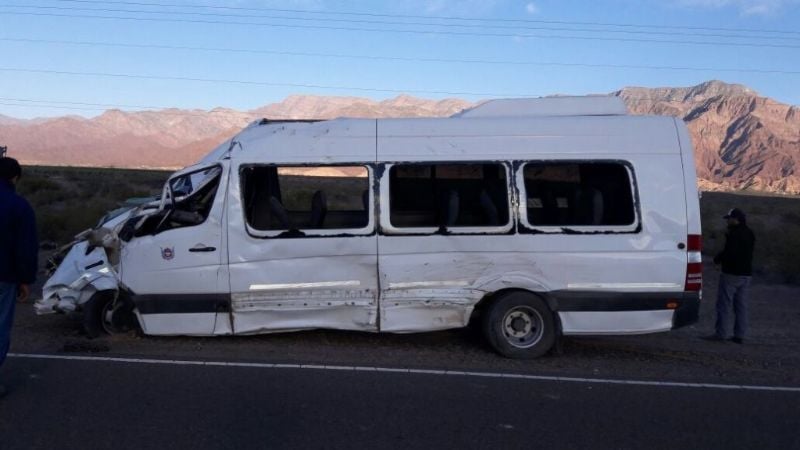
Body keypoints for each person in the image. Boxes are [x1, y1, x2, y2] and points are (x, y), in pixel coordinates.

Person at [0, 157, 38, 398]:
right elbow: (26, 247)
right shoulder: (19, 206)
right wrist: (25, 279)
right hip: (4, 277)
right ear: (15, 178)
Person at [704, 208, 755, 344]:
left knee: (724, 304)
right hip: (746, 274)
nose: (727, 221)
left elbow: (729, 252)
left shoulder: (734, 234)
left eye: (729, 219)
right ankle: (739, 335)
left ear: (736, 219)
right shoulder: (749, 233)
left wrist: (717, 260)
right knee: (741, 306)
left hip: (732, 274)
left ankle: (721, 333)